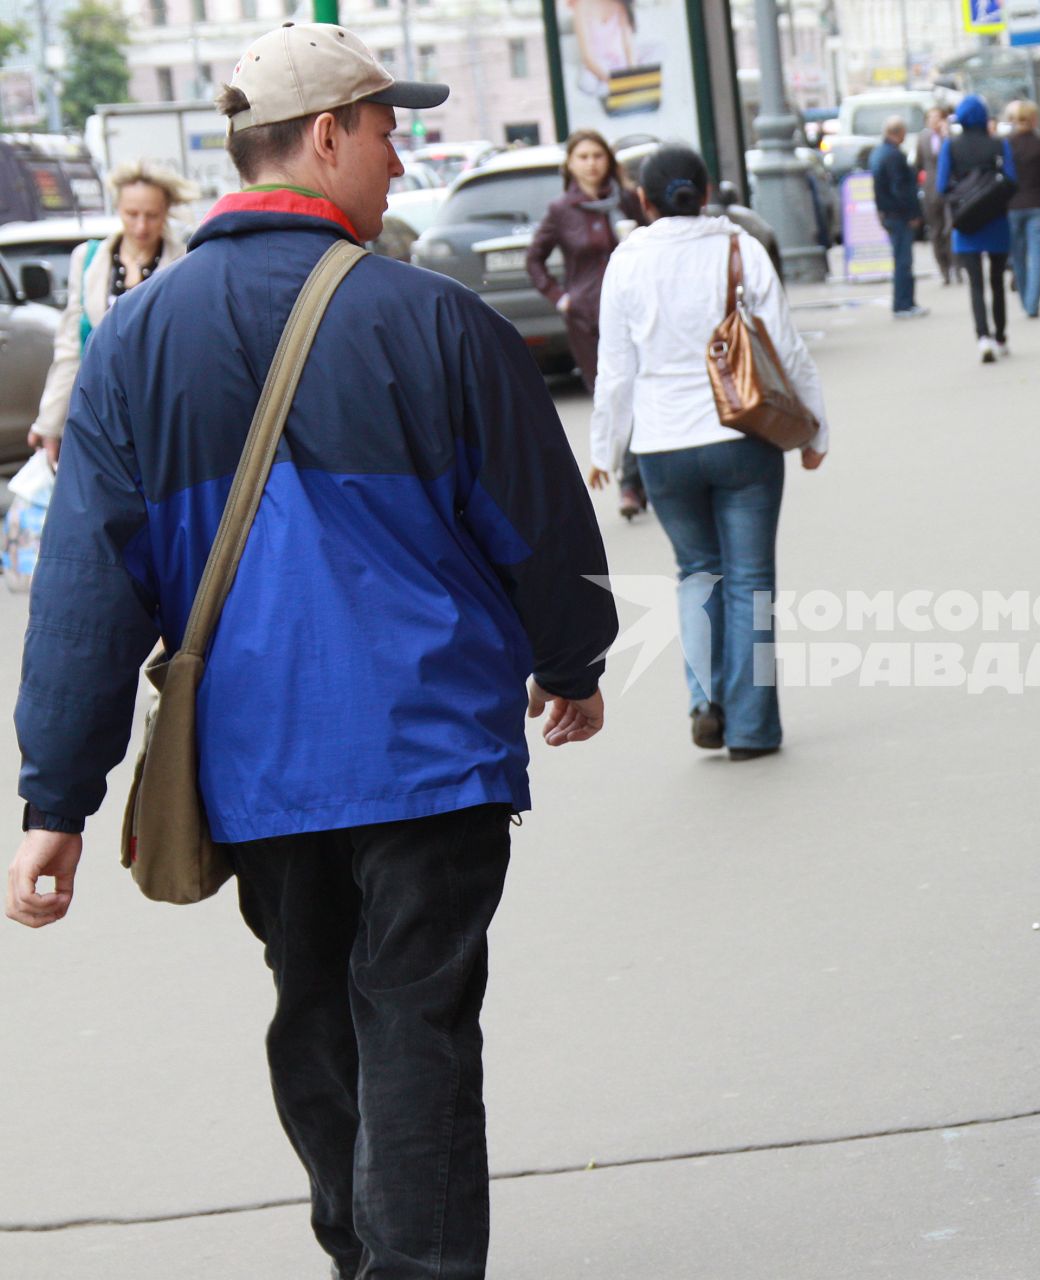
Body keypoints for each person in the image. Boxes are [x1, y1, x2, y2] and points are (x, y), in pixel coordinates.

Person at [6, 24, 618, 1280]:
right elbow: (539, 526)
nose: (402, 156)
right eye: (389, 128)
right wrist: (572, 661)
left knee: (317, 1008)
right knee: (421, 1018)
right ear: (327, 136)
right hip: (430, 750)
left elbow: (88, 587)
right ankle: (417, 1264)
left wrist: (54, 798)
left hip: (256, 763)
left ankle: (360, 1248)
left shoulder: (132, 341)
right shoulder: (437, 323)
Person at [588, 145, 830, 759]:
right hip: (742, 437)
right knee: (749, 583)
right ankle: (751, 729)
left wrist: (604, 450)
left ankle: (705, 700)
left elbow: (615, 370)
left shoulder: (627, 261)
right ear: (705, 190)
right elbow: (785, 345)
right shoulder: (739, 248)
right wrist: (814, 430)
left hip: (663, 448)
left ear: (643, 200)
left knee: (697, 575)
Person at [30, 161, 195, 466]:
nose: (141, 226)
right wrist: (50, 422)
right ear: (117, 207)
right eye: (132, 214)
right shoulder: (89, 259)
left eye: (152, 215)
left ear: (167, 211)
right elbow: (71, 346)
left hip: (165, 416)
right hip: (102, 413)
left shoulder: (186, 261)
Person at [527, 129, 648, 517]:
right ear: (570, 164)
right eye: (583, 157)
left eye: (598, 155)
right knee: (611, 393)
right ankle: (630, 481)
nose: (591, 163)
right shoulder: (561, 210)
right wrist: (561, 299)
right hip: (588, 319)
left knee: (641, 390)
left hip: (635, 310)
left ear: (608, 161)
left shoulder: (627, 201)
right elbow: (535, 260)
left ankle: (633, 484)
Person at [937, 93, 1017, 363]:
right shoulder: (998, 144)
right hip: (995, 219)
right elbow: (1012, 179)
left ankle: (982, 337)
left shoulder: (951, 147)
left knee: (975, 284)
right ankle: (1001, 336)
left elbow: (940, 186)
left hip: (967, 221)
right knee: (997, 282)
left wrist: (963, 194)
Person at [1004, 101, 1040, 320]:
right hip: (1038, 203)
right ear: (1035, 119)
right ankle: (1033, 302)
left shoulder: (1007, 145)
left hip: (1012, 205)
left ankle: (1024, 300)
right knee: (1037, 254)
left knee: (1018, 255)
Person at [871, 115, 927, 319]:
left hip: (889, 213)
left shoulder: (880, 153)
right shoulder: (894, 156)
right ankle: (904, 304)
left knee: (901, 259)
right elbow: (900, 188)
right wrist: (912, 213)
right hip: (898, 214)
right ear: (898, 133)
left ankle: (904, 303)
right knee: (904, 260)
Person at [915, 104, 955, 285]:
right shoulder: (923, 138)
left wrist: (947, 135)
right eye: (931, 118)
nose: (934, 122)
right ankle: (944, 269)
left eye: (938, 118)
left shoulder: (951, 137)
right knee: (936, 230)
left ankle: (957, 266)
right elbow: (918, 164)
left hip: (951, 188)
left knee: (951, 227)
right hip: (931, 190)